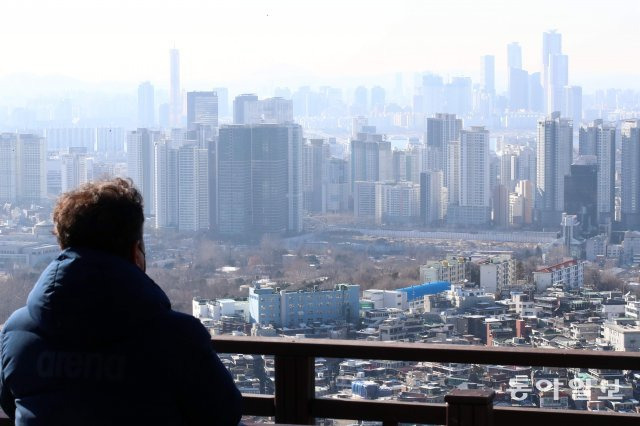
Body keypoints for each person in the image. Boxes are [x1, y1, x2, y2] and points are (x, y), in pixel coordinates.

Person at [0, 178, 242, 425]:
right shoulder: (178, 337)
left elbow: (10, 403)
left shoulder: (17, 332)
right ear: (136, 251)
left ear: (63, 245)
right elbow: (224, 413)